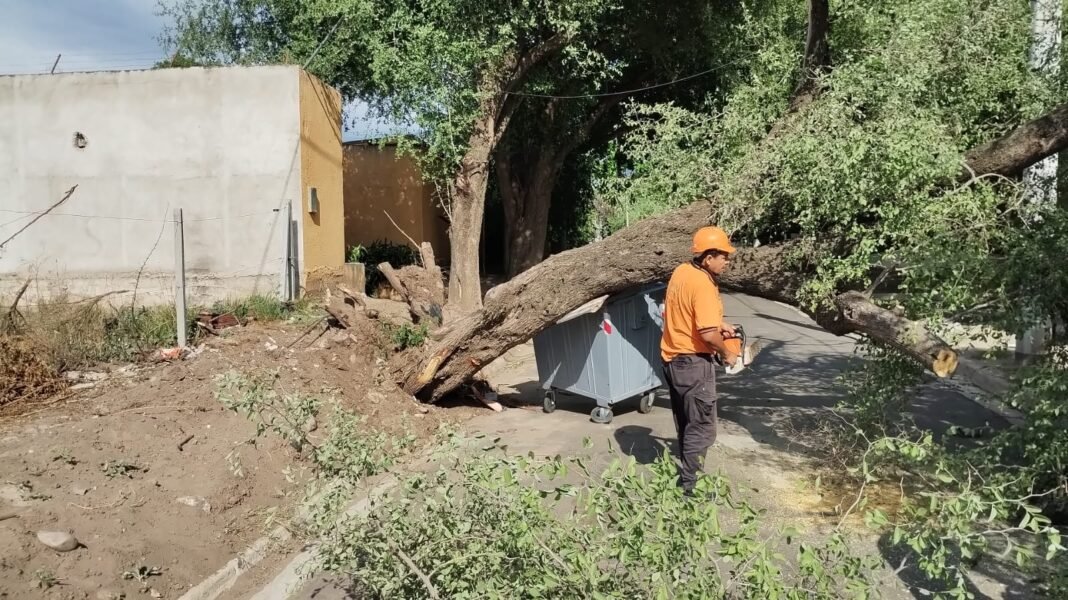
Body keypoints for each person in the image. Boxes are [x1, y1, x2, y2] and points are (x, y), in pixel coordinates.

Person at [660, 226, 738, 495]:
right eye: (724, 256)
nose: (727, 261)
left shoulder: (682, 272)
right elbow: (707, 334)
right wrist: (727, 352)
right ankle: (690, 487)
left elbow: (687, 312)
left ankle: (686, 476)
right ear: (708, 257)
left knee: (686, 422)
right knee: (703, 428)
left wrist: (719, 324)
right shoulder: (703, 284)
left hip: (673, 360)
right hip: (693, 364)